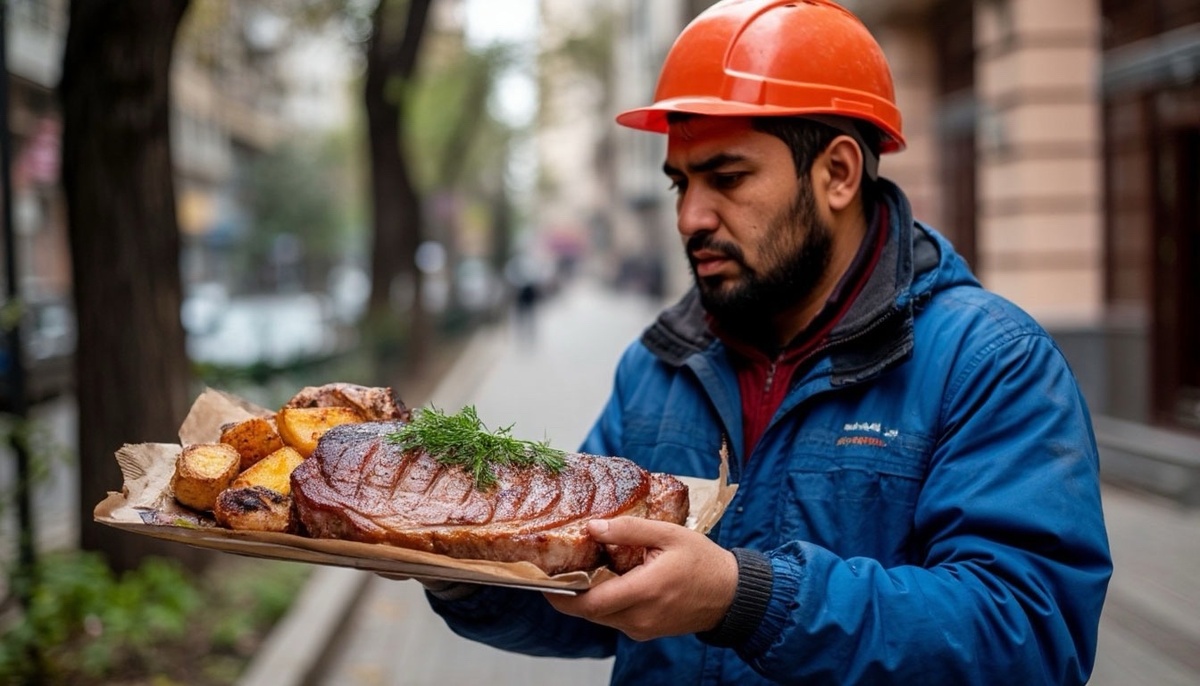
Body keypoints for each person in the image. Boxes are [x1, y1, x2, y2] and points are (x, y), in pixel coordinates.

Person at [414, 1, 1113, 683]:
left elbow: (1029, 635)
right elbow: (583, 588)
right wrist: (450, 562)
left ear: (838, 174)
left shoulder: (990, 363)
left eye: (727, 178)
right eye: (681, 183)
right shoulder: (659, 366)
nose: (690, 216)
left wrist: (745, 599)